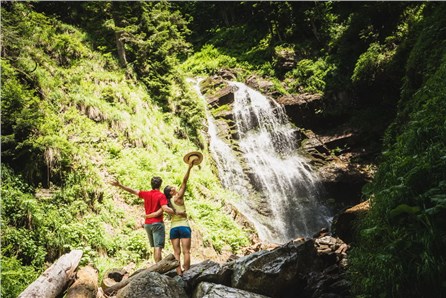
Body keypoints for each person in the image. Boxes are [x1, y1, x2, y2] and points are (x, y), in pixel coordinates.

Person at [146, 162, 195, 276]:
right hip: (184, 226)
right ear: (171, 192)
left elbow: (158, 212)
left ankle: (179, 273)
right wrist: (189, 167)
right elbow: (184, 181)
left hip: (173, 229)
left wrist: (147, 217)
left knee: (176, 252)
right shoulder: (178, 198)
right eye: (174, 188)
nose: (176, 188)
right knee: (186, 251)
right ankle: (187, 273)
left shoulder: (167, 203)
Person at [111, 176, 175, 263]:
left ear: (151, 184)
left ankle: (156, 267)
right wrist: (176, 212)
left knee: (154, 247)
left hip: (147, 224)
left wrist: (120, 185)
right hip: (157, 224)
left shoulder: (146, 194)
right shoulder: (161, 196)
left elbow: (133, 191)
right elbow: (165, 208)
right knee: (158, 247)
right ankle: (159, 269)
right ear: (160, 185)